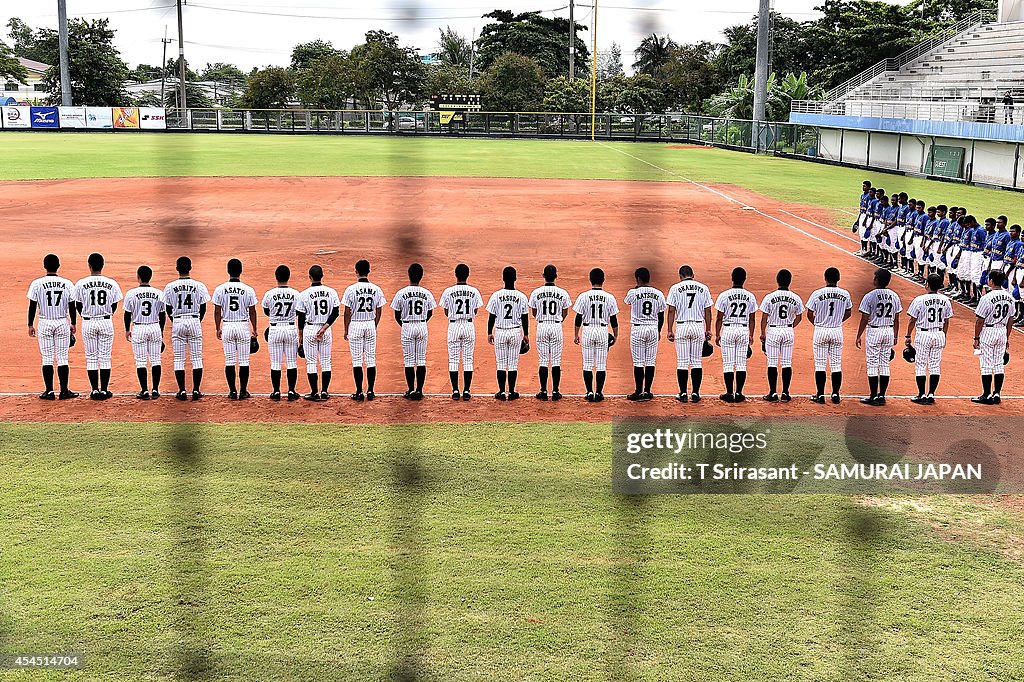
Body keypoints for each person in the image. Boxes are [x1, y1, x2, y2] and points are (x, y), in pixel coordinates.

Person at [26, 253, 78, 400]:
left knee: (47, 358)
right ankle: (64, 391)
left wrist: (30, 324)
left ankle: (49, 391)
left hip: (44, 322)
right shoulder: (67, 283)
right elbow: (72, 305)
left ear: (44, 266)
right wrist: (73, 323)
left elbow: (32, 306)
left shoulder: (37, 283)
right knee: (63, 358)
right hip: (62, 322)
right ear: (58, 266)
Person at [74, 252, 123, 400]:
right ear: (102, 265)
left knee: (91, 357)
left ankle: (94, 390)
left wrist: (85, 315)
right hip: (106, 321)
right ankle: (105, 389)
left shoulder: (81, 283)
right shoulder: (112, 283)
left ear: (89, 266)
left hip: (88, 322)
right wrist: (107, 313)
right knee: (105, 357)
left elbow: (78, 304)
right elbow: (114, 304)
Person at [162, 256, 210, 401]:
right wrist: (197, 320)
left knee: (178, 358)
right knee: (196, 358)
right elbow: (203, 307)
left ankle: (182, 391)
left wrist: (175, 320)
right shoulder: (199, 286)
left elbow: (167, 307)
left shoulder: (170, 287)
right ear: (190, 268)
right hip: (194, 320)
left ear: (177, 268)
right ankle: (196, 390)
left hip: (178, 321)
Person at [665, 265, 714, 402]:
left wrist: (670, 329)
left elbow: (671, 311)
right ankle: (696, 393)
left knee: (682, 362)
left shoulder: (675, 288)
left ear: (680, 276)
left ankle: (682, 393)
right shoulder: (703, 288)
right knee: (696, 362)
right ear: (693, 274)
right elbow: (708, 311)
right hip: (698, 326)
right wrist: (708, 329)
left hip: (682, 326)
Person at [212, 258, 258, 400]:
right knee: (244, 360)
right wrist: (254, 329)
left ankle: (232, 391)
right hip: (243, 326)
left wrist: (218, 328)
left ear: (228, 271)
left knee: (230, 360)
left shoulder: (220, 289)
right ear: (241, 271)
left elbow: (217, 311)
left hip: (228, 326)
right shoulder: (248, 289)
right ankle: (243, 391)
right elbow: (252, 311)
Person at [805, 267, 853, 404]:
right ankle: (835, 395)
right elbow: (849, 312)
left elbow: (809, 313)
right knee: (836, 364)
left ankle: (820, 395)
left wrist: (818, 323)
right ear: (838, 279)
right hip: (837, 330)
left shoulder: (817, 293)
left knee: (820, 364)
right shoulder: (845, 294)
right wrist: (837, 321)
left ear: (825, 278)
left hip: (821, 330)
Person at [855, 269, 902, 406]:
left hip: (874, 331)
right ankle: (882, 396)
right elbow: (897, 319)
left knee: (872, 363)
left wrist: (859, 335)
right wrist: (895, 335)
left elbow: (864, 318)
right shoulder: (894, 296)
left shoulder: (869, 296)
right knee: (885, 364)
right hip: (888, 330)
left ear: (876, 280)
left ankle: (873, 395)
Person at [342, 259, 387, 401]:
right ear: (369, 271)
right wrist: (375, 324)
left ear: (356, 271)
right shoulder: (376, 289)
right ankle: (371, 391)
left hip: (355, 324)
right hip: (370, 324)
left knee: (357, 360)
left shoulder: (350, 289)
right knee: (371, 359)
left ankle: (359, 391)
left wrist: (346, 329)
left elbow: (347, 312)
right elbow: (379, 310)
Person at [438, 263, 484, 401]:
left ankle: (455, 390)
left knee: (453, 359)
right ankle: (467, 390)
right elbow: (475, 310)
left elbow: (446, 311)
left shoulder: (448, 291)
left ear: (455, 275)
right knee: (468, 359)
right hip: (469, 325)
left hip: (453, 326)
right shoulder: (474, 291)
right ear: (467, 275)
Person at [391, 263, 437, 400]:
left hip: (407, 325)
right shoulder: (427, 293)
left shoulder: (401, 293)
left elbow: (396, 314)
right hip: (422, 325)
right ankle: (419, 391)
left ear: (408, 275)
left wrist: (404, 325)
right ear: (421, 276)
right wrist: (422, 322)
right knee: (421, 359)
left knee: (409, 360)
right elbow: (430, 312)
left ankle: (411, 390)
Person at [573, 268, 619, 402]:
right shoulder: (609, 297)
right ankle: (598, 393)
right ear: (603, 280)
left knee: (587, 364)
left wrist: (576, 334)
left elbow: (578, 318)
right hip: (602, 331)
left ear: (590, 280)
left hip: (587, 330)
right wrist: (615, 335)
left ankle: (588, 392)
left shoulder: (583, 296)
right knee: (601, 364)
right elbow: (614, 320)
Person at [906, 274, 953, 405]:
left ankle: (921, 394)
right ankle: (931, 394)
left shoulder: (919, 300)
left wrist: (908, 336)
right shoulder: (946, 300)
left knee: (920, 364)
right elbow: (947, 321)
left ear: (927, 284)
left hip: (923, 335)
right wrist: (943, 335)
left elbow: (912, 320)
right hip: (939, 334)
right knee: (935, 365)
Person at [528, 264, 572, 401]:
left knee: (543, 360)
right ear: (556, 276)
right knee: (556, 360)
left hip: (541, 326)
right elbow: (565, 312)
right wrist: (557, 321)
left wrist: (543, 319)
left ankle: (543, 391)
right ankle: (555, 391)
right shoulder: (563, 293)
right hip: (556, 326)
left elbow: (534, 312)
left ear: (543, 276)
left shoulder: (536, 292)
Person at [297, 265, 341, 402]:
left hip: (309, 330)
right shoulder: (332, 292)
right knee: (326, 362)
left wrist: (300, 337)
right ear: (322, 276)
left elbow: (301, 317)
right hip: (326, 330)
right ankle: (324, 392)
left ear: (310, 277)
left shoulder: (303, 294)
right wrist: (324, 328)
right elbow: (336, 313)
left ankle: (314, 392)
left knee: (311, 363)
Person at [713, 267, 757, 403]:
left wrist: (717, 334)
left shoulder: (724, 295)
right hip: (743, 330)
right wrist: (751, 334)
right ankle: (739, 393)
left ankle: (729, 393)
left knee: (728, 363)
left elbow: (719, 317)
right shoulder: (750, 296)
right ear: (745, 279)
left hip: (728, 330)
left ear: (732, 278)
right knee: (741, 364)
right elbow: (752, 318)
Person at [759, 269, 803, 402]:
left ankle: (772, 393)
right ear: (789, 281)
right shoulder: (796, 297)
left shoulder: (769, 297)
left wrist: (762, 333)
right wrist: (789, 326)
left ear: (777, 281)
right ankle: (785, 393)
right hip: (788, 330)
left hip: (773, 330)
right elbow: (799, 317)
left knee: (772, 362)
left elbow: (764, 318)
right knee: (786, 363)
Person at [487, 266, 531, 400]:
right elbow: (525, 317)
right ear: (515, 279)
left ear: (503, 279)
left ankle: (501, 392)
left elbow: (491, 316)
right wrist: (526, 334)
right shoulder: (522, 296)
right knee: (513, 363)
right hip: (515, 332)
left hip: (500, 331)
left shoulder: (496, 296)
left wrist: (489, 332)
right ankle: (511, 392)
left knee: (500, 363)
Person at [122, 265, 166, 400]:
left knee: (140, 361)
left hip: (139, 328)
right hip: (154, 326)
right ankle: (155, 390)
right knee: (156, 360)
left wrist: (127, 330)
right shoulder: (159, 293)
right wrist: (161, 331)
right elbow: (163, 315)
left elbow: (127, 314)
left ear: (138, 277)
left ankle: (144, 391)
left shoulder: (131, 293)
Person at [623, 267, 666, 401]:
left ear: (638, 279)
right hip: (653, 328)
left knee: (638, 362)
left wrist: (637, 287)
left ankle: (638, 391)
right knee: (650, 361)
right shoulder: (658, 293)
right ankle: (647, 391)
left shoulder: (633, 292)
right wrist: (658, 331)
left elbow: (627, 301)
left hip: (638, 329)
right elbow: (661, 315)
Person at [972, 270, 1014, 404]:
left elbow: (980, 320)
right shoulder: (1010, 297)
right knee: (998, 365)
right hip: (1002, 331)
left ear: (991, 281)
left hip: (988, 331)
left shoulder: (986, 297)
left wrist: (976, 338)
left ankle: (986, 394)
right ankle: (997, 394)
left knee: (986, 364)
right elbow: (1011, 320)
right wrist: (1006, 337)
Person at [262, 265, 302, 401]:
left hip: (274, 329)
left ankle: (276, 391)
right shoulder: (296, 294)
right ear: (288, 277)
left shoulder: (269, 294)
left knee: (275, 362)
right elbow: (299, 312)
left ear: (276, 277)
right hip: (291, 328)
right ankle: (291, 391)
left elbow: (266, 311)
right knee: (292, 362)